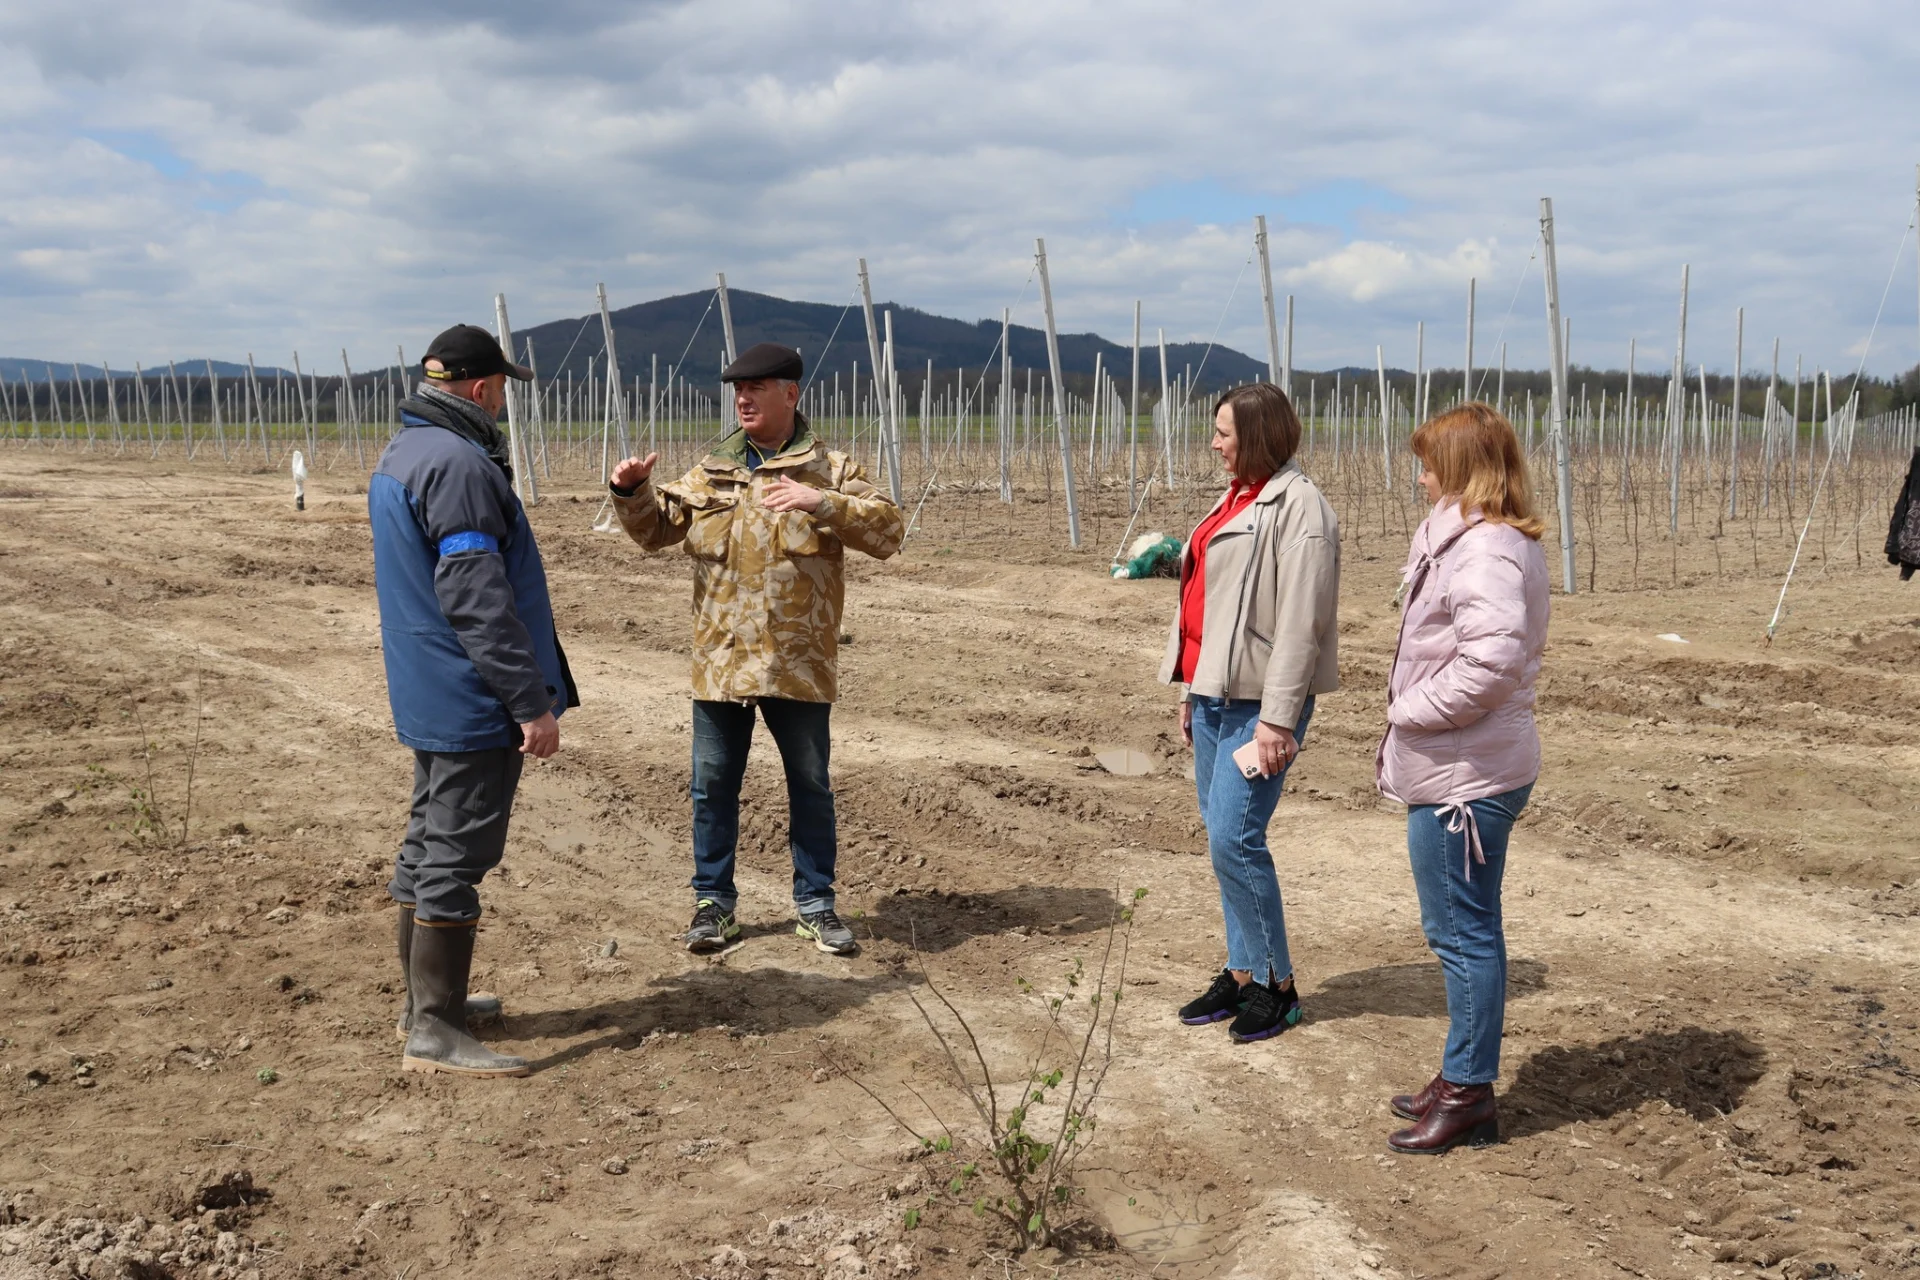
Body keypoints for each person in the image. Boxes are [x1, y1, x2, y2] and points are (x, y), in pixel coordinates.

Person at [608, 343, 904, 958]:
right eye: (737, 388)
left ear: (791, 394)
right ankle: (713, 905)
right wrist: (632, 492)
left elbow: (888, 532)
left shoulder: (831, 468)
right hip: (720, 663)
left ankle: (816, 905)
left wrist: (821, 502)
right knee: (711, 785)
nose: (742, 397)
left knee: (810, 783)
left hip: (798, 663)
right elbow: (656, 532)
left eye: (757, 387)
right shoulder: (712, 472)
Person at [369, 324, 578, 1079]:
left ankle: (424, 1005)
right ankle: (435, 1029)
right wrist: (529, 702)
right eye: (499, 391)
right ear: (483, 388)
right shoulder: (458, 465)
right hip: (470, 696)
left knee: (428, 841)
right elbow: (479, 599)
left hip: (430, 687)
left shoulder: (405, 450)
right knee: (457, 852)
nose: (500, 405)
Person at [1378, 402, 1549, 1154]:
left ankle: (1471, 1094)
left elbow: (1489, 663)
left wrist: (1410, 711)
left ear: (1463, 470)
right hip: (1467, 763)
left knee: (1462, 933)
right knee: (1460, 927)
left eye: (1430, 464)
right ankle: (1457, 1075)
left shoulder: (1483, 551)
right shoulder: (1471, 540)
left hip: (1465, 775)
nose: (1419, 477)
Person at [1159, 383, 1340, 1043]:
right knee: (1221, 840)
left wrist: (1279, 719)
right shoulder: (1237, 499)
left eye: (1225, 433)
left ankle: (1278, 986)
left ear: (1259, 435)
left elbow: (1301, 625)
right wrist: (1188, 689)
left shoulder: (1301, 509)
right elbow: (1204, 599)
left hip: (1259, 706)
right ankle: (1242, 974)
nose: (1215, 444)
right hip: (1213, 695)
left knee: (1237, 838)